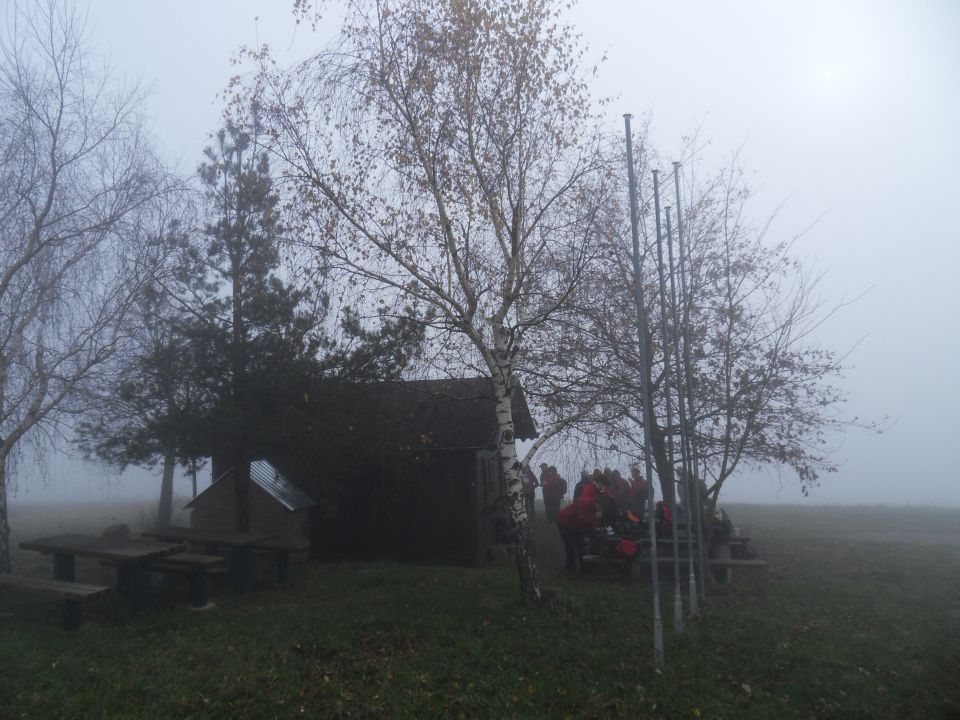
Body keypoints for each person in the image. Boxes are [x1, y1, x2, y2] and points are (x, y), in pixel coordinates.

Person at [555, 476, 601, 573]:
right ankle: (571, 569)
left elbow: (589, 522)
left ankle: (585, 568)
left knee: (581, 545)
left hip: (574, 523)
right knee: (570, 546)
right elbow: (583, 520)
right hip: (564, 522)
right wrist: (588, 532)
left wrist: (594, 527)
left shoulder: (593, 507)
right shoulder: (585, 504)